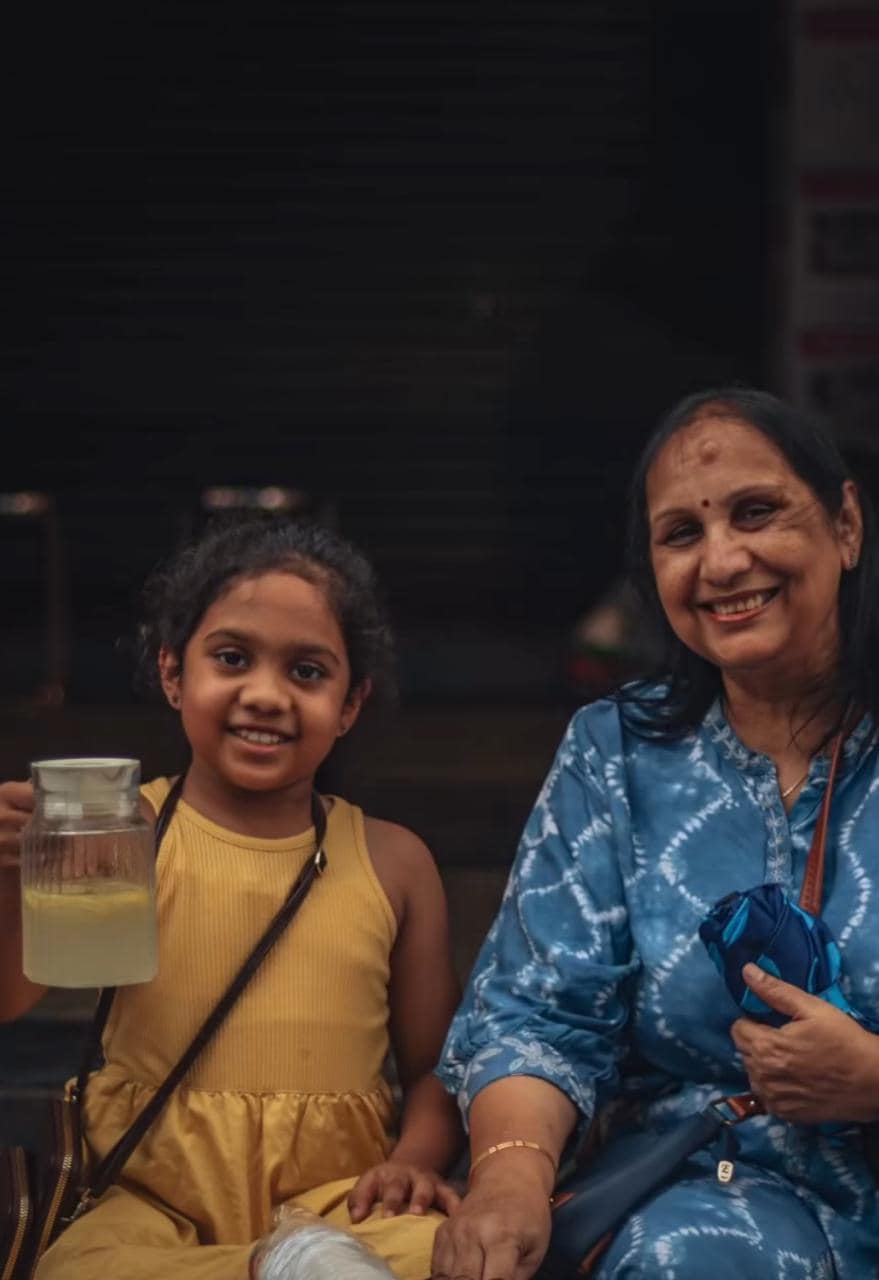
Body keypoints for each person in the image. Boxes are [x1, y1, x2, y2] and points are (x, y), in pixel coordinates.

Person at [432, 387, 879, 1280]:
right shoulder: (618, 752)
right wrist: (510, 1182)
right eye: (680, 534)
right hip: (708, 1197)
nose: (720, 561)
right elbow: (537, 1016)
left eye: (756, 513)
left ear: (844, 525)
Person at [0, 513, 463, 1280]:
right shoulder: (127, 834)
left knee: (440, 1251)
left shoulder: (393, 862)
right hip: (153, 1201)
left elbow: (435, 1067)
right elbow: (11, 999)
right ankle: (276, 1269)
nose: (266, 695)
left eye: (307, 672)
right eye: (232, 658)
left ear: (351, 704)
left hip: (340, 1204)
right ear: (174, 673)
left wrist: (412, 1163)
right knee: (81, 1271)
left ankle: (297, 1261)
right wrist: (12, 883)